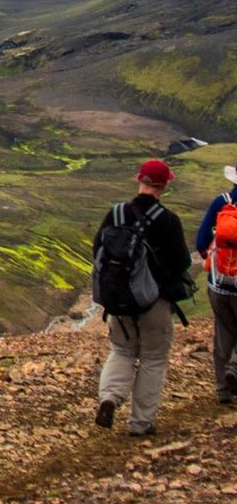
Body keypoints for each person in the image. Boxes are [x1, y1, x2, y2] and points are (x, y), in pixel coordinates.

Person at [94, 158, 191, 436]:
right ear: (164, 185)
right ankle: (140, 424)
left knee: (122, 350)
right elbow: (181, 262)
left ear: (140, 180)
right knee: (153, 359)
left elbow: (97, 252)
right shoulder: (168, 221)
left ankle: (109, 398)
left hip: (119, 300)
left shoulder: (116, 214)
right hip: (155, 302)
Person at [195, 163, 237, 404]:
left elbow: (201, 241)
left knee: (223, 332)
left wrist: (213, 261)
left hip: (218, 283)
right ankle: (235, 370)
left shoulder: (220, 202)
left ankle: (222, 389)